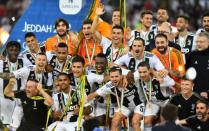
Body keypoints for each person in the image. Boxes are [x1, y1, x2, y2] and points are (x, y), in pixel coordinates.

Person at [87, 66, 144, 131]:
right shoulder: (109, 86)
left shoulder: (131, 78)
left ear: (121, 76)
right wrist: (83, 101)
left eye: (116, 76)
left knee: (135, 122)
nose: (114, 79)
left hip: (139, 104)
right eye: (112, 77)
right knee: (115, 121)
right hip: (126, 106)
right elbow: (94, 94)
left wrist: (157, 76)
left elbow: (147, 70)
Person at [135, 61, 175, 131]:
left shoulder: (159, 76)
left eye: (144, 72)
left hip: (165, 102)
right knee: (146, 121)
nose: (142, 75)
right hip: (152, 102)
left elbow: (172, 82)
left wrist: (161, 79)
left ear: (149, 71)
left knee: (164, 121)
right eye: (140, 72)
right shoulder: (137, 77)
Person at [0, 41, 28, 125]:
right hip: (3, 100)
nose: (13, 52)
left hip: (19, 100)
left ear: (19, 51)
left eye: (16, 50)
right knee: (5, 124)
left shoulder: (24, 62)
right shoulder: (1, 63)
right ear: (7, 50)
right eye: (11, 50)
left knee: (17, 125)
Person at [186, 32, 209, 100]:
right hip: (196, 94)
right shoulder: (192, 55)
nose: (198, 44)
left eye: (201, 42)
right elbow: (187, 74)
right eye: (197, 42)